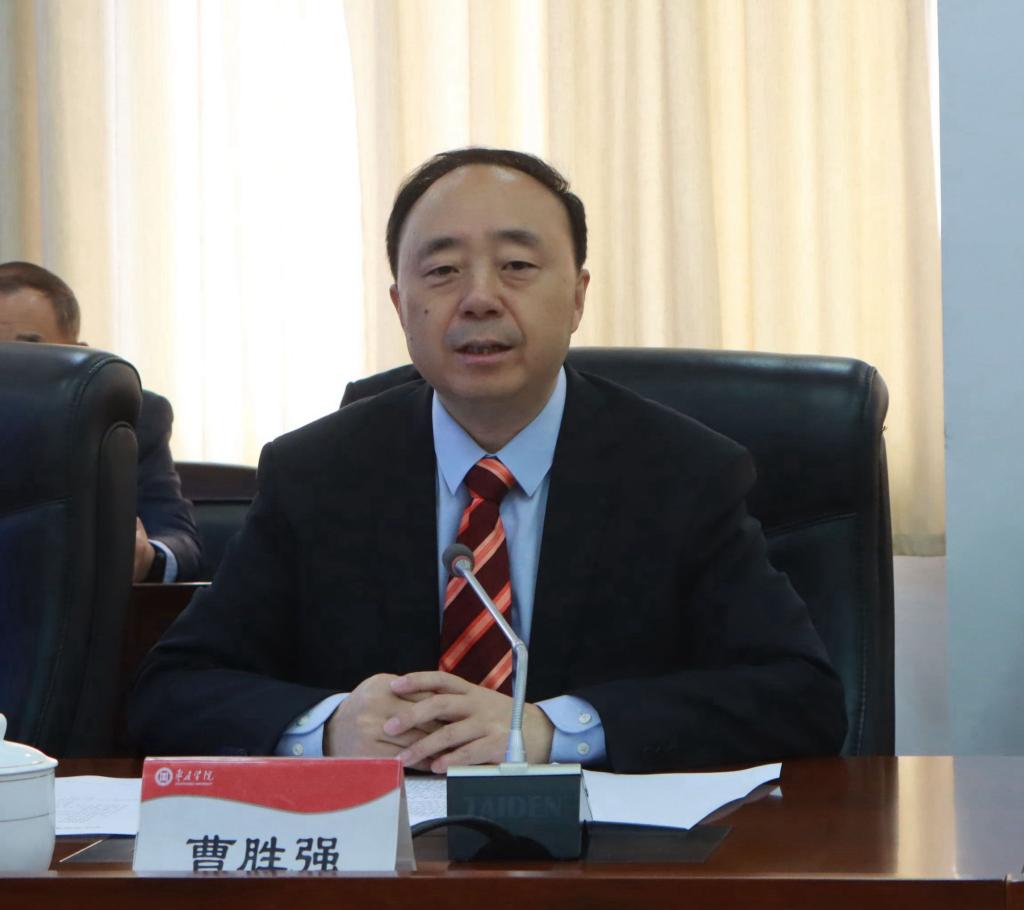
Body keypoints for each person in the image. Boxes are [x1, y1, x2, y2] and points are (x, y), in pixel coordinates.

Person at [127, 148, 847, 772]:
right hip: (388, 862)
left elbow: (800, 697)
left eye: (517, 266)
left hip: (607, 861)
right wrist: (329, 727)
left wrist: (554, 730)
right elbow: (174, 689)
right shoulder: (317, 474)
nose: (479, 298)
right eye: (442, 270)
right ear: (399, 304)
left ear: (577, 297)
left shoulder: (682, 473)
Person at [0, 261, 201, 583]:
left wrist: (146, 555)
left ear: (78, 355)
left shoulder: (127, 416)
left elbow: (179, 541)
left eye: (28, 352)